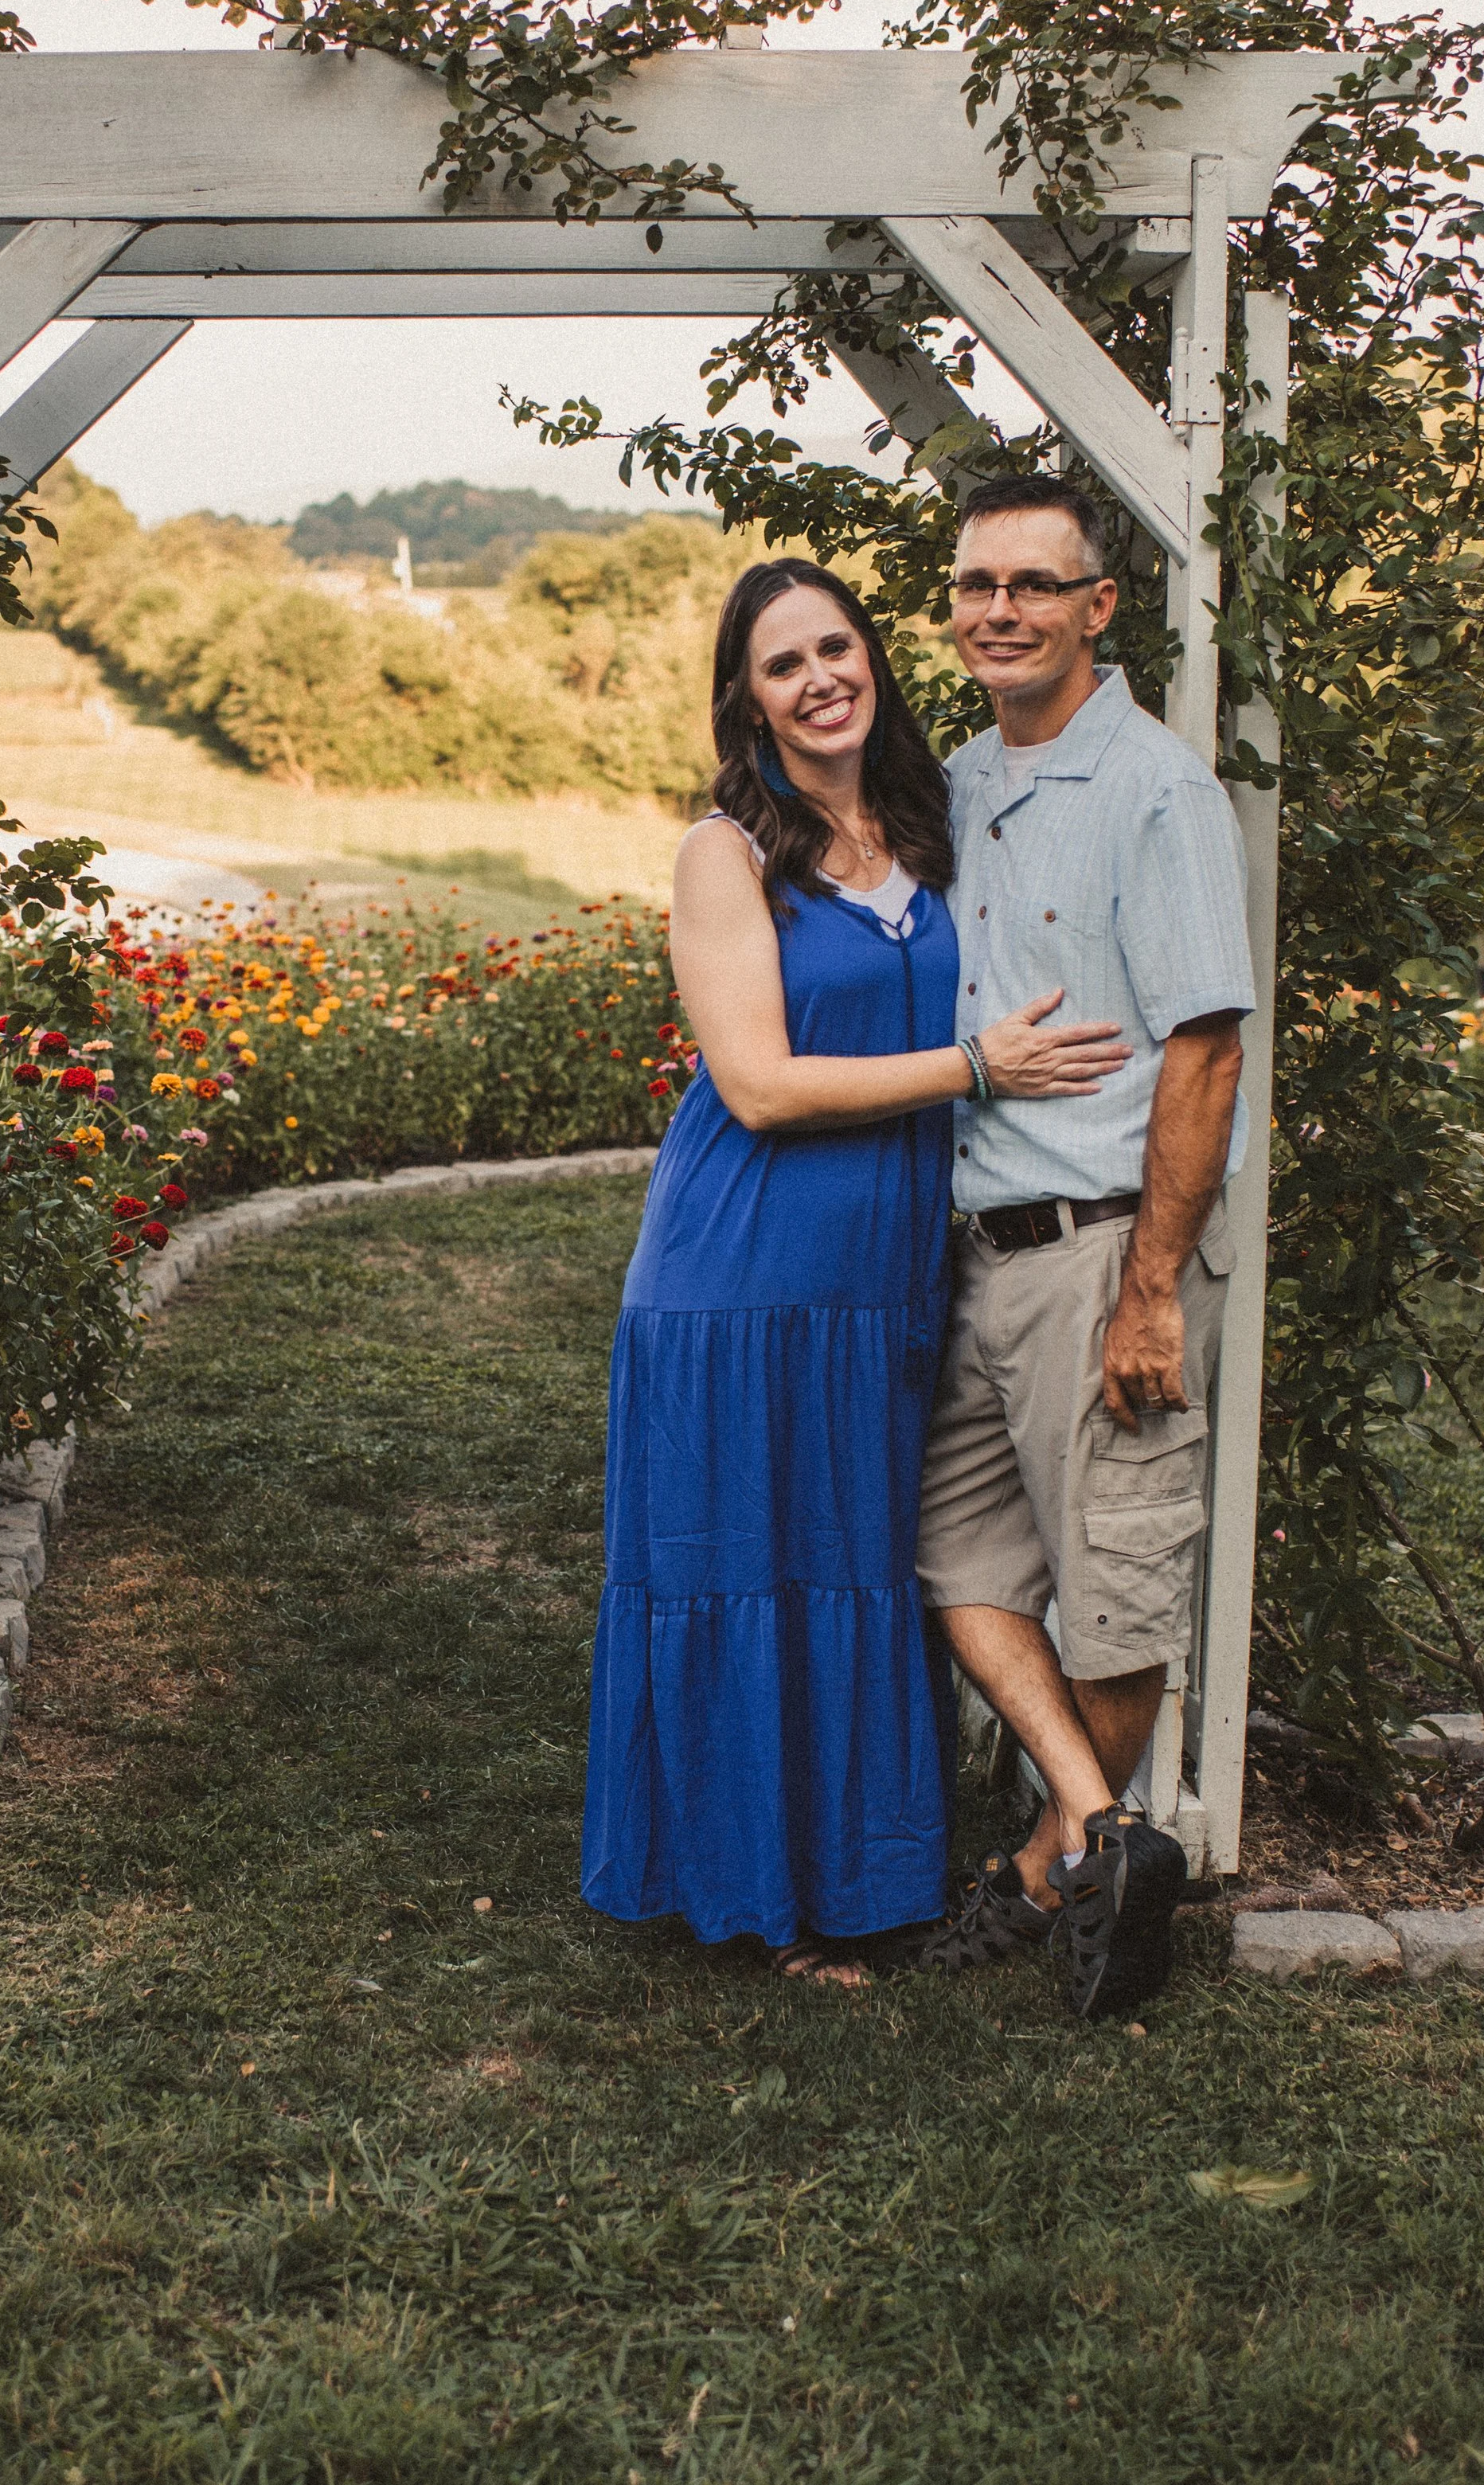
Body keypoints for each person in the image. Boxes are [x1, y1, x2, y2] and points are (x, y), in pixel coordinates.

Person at [581, 559, 1131, 1974]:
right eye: (783, 664)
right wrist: (974, 1068)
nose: (821, 678)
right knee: (750, 1569)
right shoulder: (728, 851)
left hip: (885, 1274)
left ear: (873, 660)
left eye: (838, 648)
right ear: (746, 697)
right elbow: (757, 1085)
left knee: (853, 1566)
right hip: (742, 1271)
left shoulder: (931, 820)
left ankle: (861, 1886)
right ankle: (758, 1897)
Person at [914, 472, 1256, 2021]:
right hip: (974, 1251)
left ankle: (1047, 1877)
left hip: (1096, 1255)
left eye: (1033, 587)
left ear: (1095, 608)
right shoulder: (965, 781)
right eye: (978, 585)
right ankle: (1097, 1841)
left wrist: (1143, 1297)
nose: (1000, 612)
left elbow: (1202, 1052)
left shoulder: (1154, 790)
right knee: (956, 1557)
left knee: (1110, 1594)